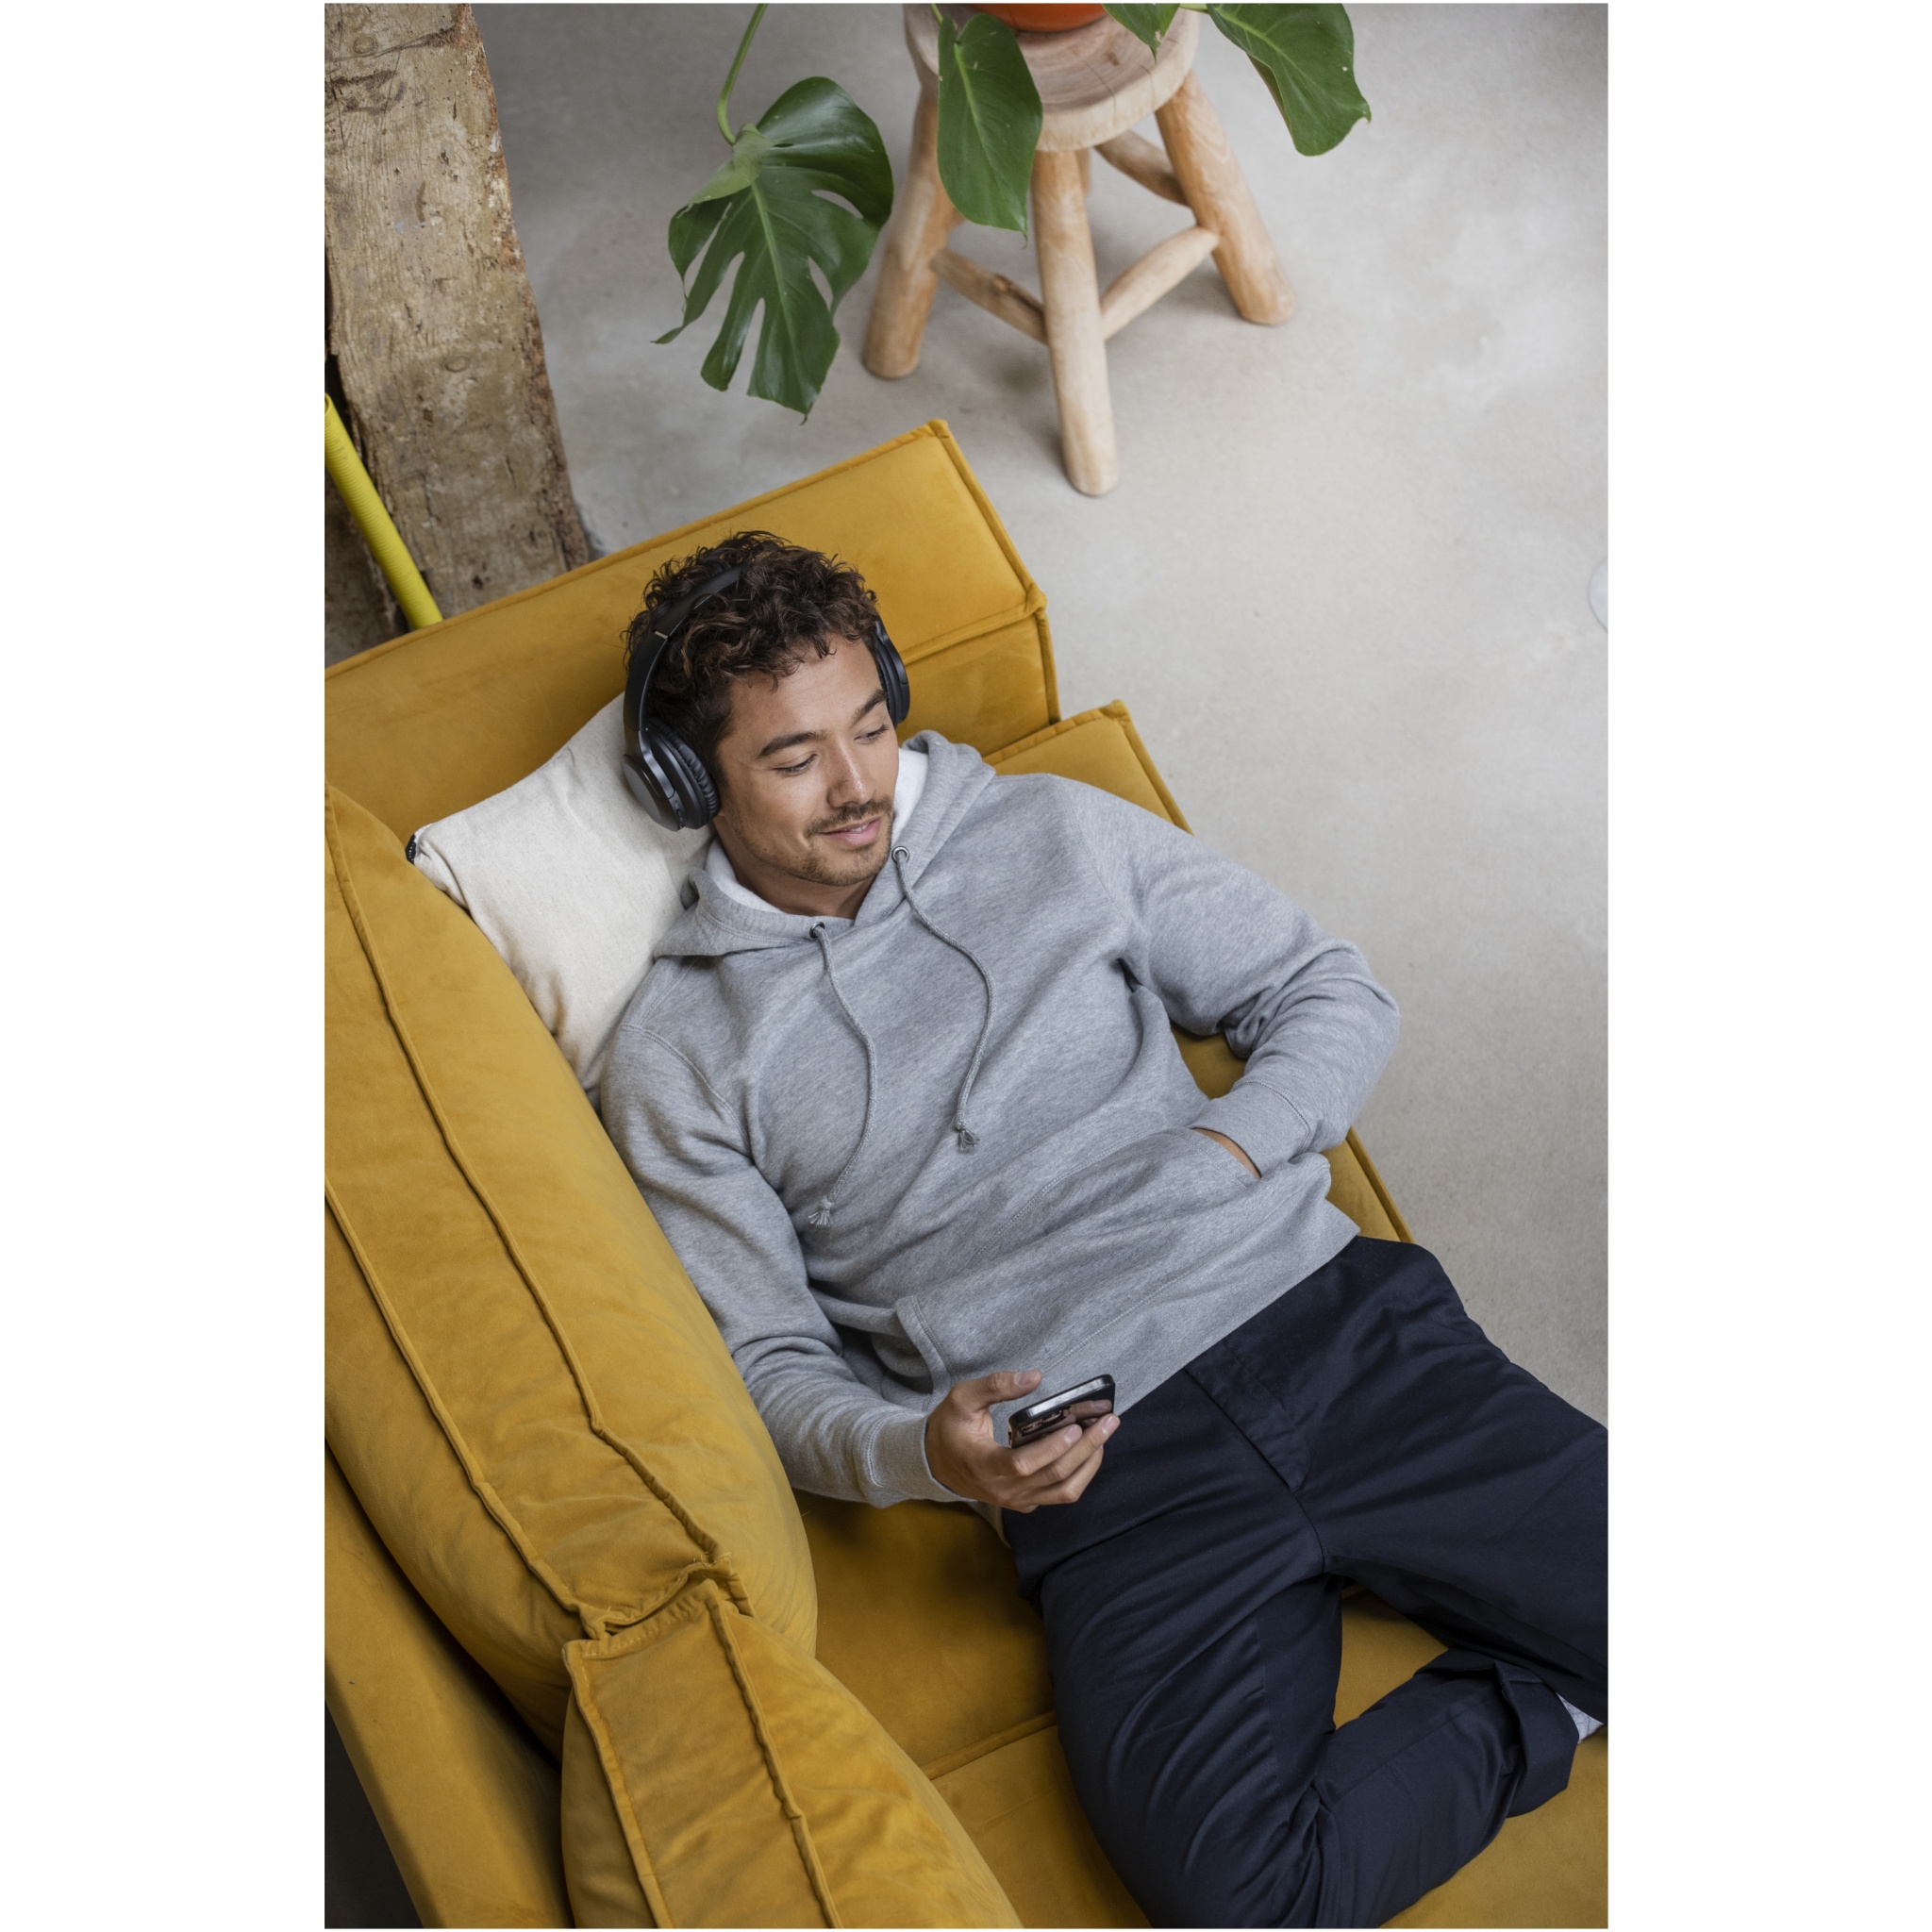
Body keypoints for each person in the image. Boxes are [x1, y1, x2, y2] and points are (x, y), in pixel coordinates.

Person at [601, 532, 1607, 1929]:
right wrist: (924, 1455)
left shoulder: (1054, 833)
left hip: (1328, 1332)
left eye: (873, 728)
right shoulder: (674, 1058)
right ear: (687, 782)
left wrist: (1227, 1148)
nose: (858, 787)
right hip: (1106, 1477)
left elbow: (1327, 990)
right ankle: (1557, 1686)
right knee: (1237, 1901)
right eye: (794, 760)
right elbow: (767, 1366)